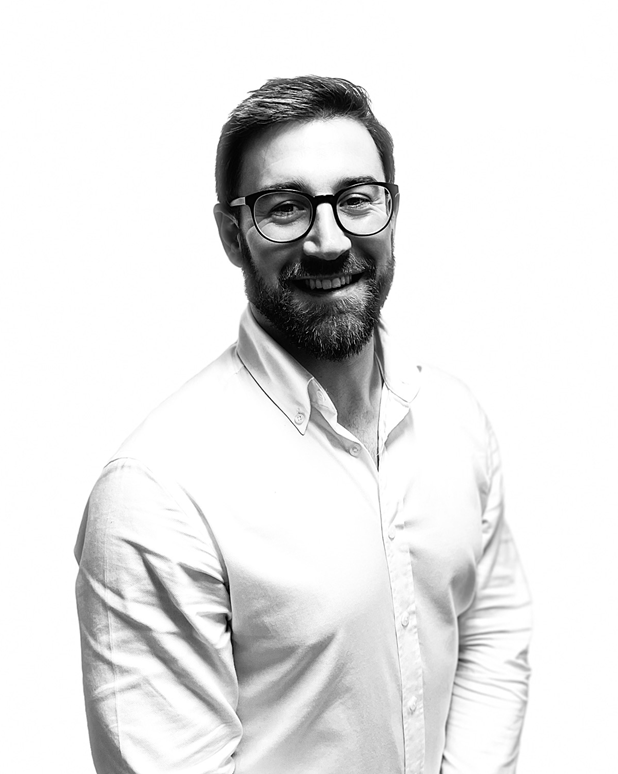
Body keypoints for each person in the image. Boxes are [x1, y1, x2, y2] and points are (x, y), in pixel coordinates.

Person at [75, 75, 532, 774]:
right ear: (232, 234)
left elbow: (491, 632)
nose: (329, 240)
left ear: (392, 210)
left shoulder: (456, 419)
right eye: (285, 207)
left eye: (356, 199)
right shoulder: (156, 493)